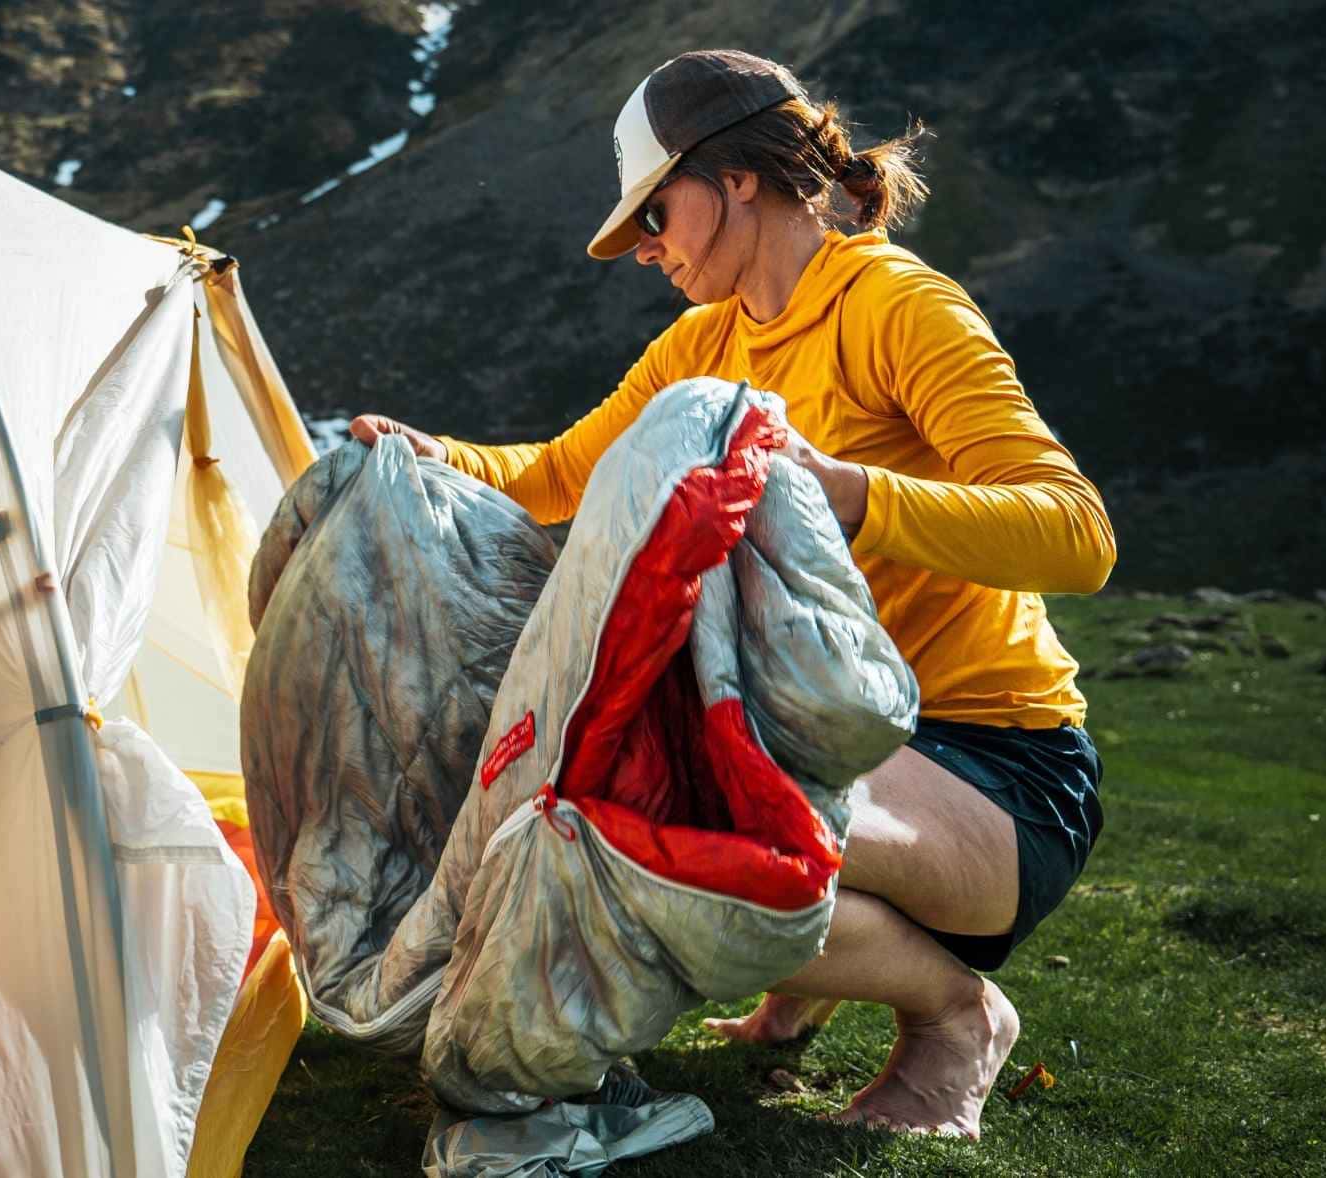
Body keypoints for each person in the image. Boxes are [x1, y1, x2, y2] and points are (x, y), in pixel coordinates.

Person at [349, 49, 1115, 1139]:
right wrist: (432, 456)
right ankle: (802, 977)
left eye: (654, 213)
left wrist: (846, 491)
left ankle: (957, 1012)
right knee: (637, 780)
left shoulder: (896, 304)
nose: (646, 247)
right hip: (839, 738)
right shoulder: (700, 345)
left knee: (682, 810)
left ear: (737, 178)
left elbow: (1078, 534)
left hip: (1000, 769)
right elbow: (557, 475)